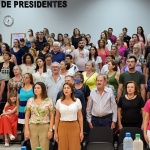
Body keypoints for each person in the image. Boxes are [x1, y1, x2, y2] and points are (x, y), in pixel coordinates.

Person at [25, 82, 54, 150]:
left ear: (42, 89)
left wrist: (50, 130)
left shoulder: (48, 101)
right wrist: (26, 129)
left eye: (38, 88)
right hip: (33, 126)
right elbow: (27, 116)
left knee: (44, 148)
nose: (36, 89)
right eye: (35, 88)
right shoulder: (30, 100)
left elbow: (52, 116)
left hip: (44, 126)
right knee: (34, 148)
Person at [54, 82, 84, 150]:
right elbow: (57, 118)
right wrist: (55, 132)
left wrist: (81, 131)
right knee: (62, 147)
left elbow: (80, 117)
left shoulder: (77, 101)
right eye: (64, 88)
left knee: (74, 147)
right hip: (62, 126)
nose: (66, 90)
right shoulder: (59, 101)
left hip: (74, 126)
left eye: (68, 88)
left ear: (71, 90)